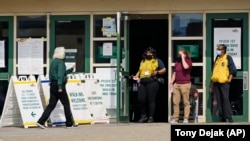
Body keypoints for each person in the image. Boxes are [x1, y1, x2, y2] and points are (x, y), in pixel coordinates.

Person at [36, 46, 76, 129]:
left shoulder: (53, 62)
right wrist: (60, 86)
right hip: (59, 86)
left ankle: (41, 121)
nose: (65, 54)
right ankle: (69, 123)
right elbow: (60, 76)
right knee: (66, 104)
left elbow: (56, 74)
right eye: (64, 52)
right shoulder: (61, 63)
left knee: (51, 105)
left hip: (53, 85)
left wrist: (71, 69)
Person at [132, 47, 166, 123]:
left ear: (153, 53)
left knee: (151, 99)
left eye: (150, 53)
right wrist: (136, 75)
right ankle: (143, 116)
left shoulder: (157, 60)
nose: (148, 54)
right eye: (147, 53)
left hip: (152, 81)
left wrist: (157, 72)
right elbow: (140, 70)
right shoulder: (143, 61)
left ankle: (151, 117)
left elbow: (164, 69)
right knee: (140, 99)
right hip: (142, 81)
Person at [210, 44, 237, 122]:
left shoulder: (228, 58)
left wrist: (230, 79)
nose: (218, 49)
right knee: (219, 100)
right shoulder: (217, 58)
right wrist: (212, 84)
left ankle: (229, 117)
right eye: (217, 48)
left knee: (225, 99)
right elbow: (214, 71)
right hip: (216, 83)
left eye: (219, 48)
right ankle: (223, 117)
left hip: (224, 82)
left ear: (224, 50)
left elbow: (232, 69)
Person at [169, 49, 192, 123]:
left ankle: (186, 118)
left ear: (185, 54)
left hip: (185, 84)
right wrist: (171, 82)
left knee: (186, 102)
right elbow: (175, 73)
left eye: (181, 54)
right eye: (179, 54)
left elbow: (185, 67)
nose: (179, 56)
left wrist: (183, 57)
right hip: (177, 84)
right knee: (175, 102)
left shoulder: (188, 61)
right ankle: (175, 118)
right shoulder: (177, 62)